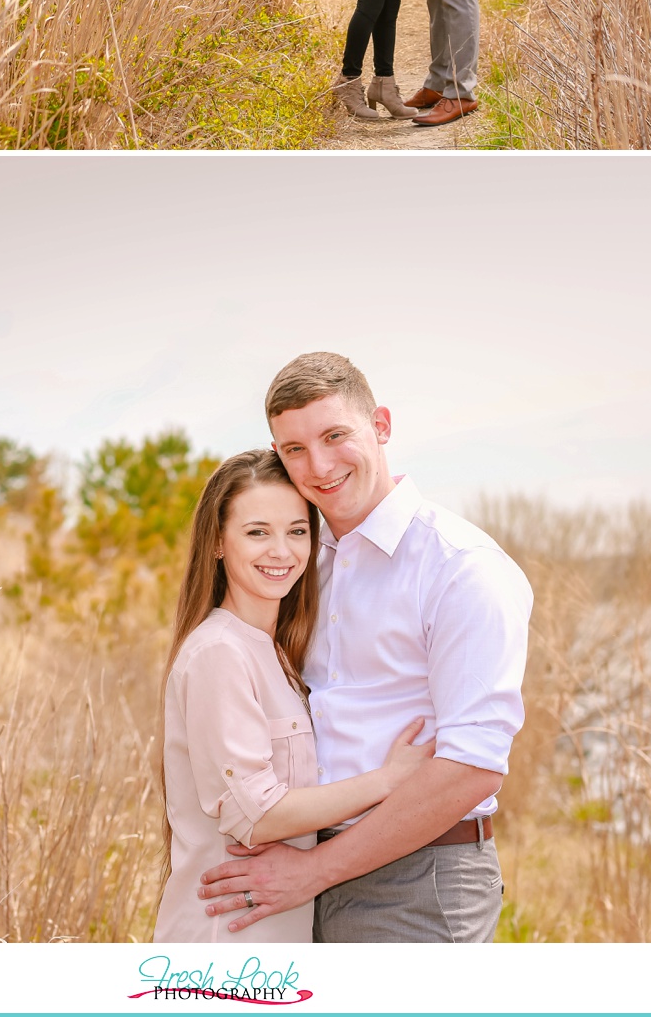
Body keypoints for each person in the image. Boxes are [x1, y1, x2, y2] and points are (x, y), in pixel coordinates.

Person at [197, 354, 533, 943]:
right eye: (294, 449)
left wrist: (315, 871)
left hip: (417, 880)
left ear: (380, 425)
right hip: (299, 871)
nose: (318, 466)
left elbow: (473, 767)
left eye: (335, 436)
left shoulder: (460, 569)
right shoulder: (299, 560)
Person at [154, 447, 429, 942]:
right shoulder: (219, 652)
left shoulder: (277, 654)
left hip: (276, 937)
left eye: (297, 531)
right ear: (218, 542)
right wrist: (386, 781)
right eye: (257, 531)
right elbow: (254, 816)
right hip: (226, 942)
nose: (281, 551)